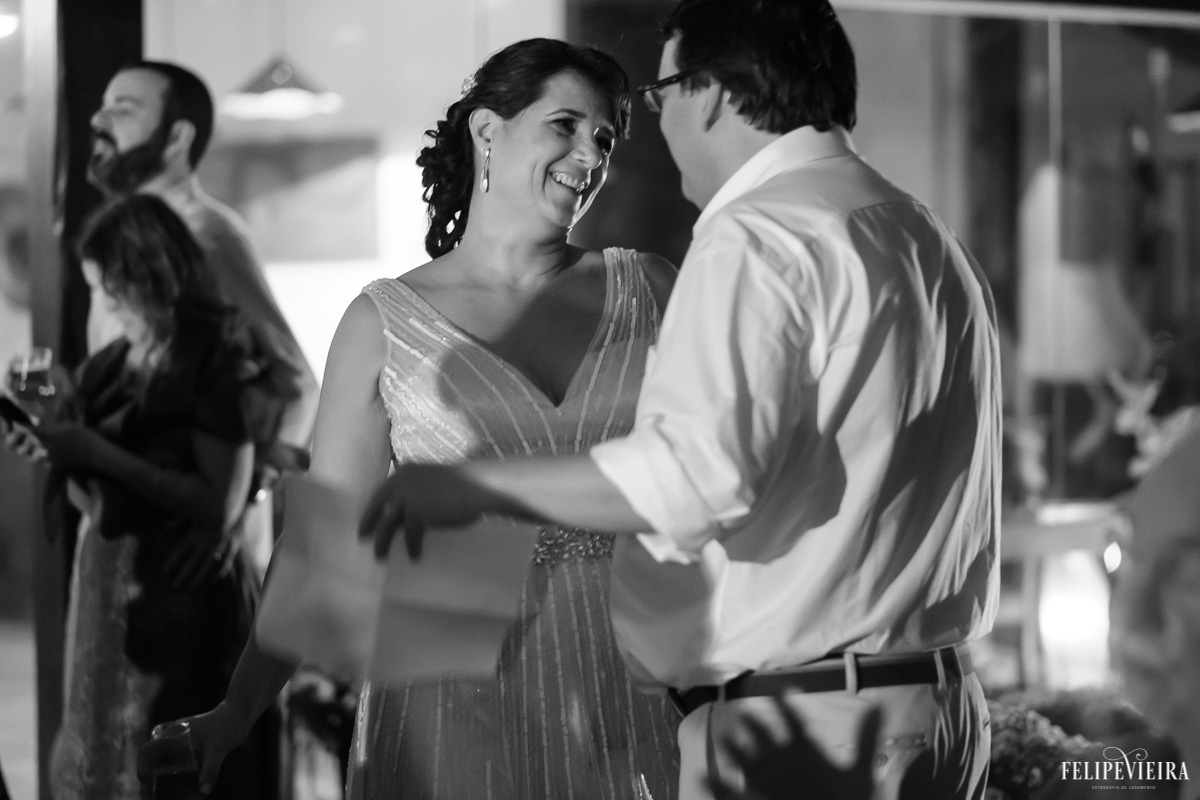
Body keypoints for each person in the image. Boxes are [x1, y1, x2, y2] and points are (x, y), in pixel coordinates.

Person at [359, 2, 1002, 798]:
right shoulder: (921, 232)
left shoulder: (759, 234)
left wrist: (473, 484)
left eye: (650, 107)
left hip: (807, 726)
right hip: (933, 708)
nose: (624, 147)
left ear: (710, 94)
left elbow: (697, 478)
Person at [168, 38, 680, 800]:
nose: (588, 155)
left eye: (603, 138)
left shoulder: (648, 289)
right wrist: (237, 709)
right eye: (565, 125)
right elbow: (322, 548)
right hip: (448, 690)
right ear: (487, 131)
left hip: (618, 682)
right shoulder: (384, 322)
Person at [1, 194, 276, 799]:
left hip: (184, 601)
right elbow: (98, 505)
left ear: (148, 276)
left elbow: (218, 504)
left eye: (109, 290)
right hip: (109, 590)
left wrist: (95, 451)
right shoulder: (112, 365)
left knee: (172, 766)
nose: (103, 306)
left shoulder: (215, 354)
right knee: (101, 758)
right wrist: (55, 450)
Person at [87, 59, 319, 572]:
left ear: (177, 137)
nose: (99, 122)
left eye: (123, 110)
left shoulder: (204, 237)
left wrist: (242, 501)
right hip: (132, 519)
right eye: (102, 107)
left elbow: (297, 381)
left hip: (196, 546)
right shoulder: (130, 235)